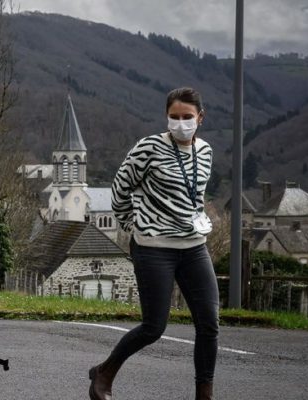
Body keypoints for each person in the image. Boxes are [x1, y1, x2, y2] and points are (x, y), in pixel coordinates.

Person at [90, 87, 217, 400]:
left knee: (209, 323)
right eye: (174, 117)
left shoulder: (206, 151)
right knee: (153, 327)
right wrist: (133, 225)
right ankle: (104, 375)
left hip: (193, 246)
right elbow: (120, 189)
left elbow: (194, 196)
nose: (180, 123)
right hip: (153, 247)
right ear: (167, 117)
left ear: (200, 118)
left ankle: (204, 394)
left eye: (187, 117)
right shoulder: (148, 148)